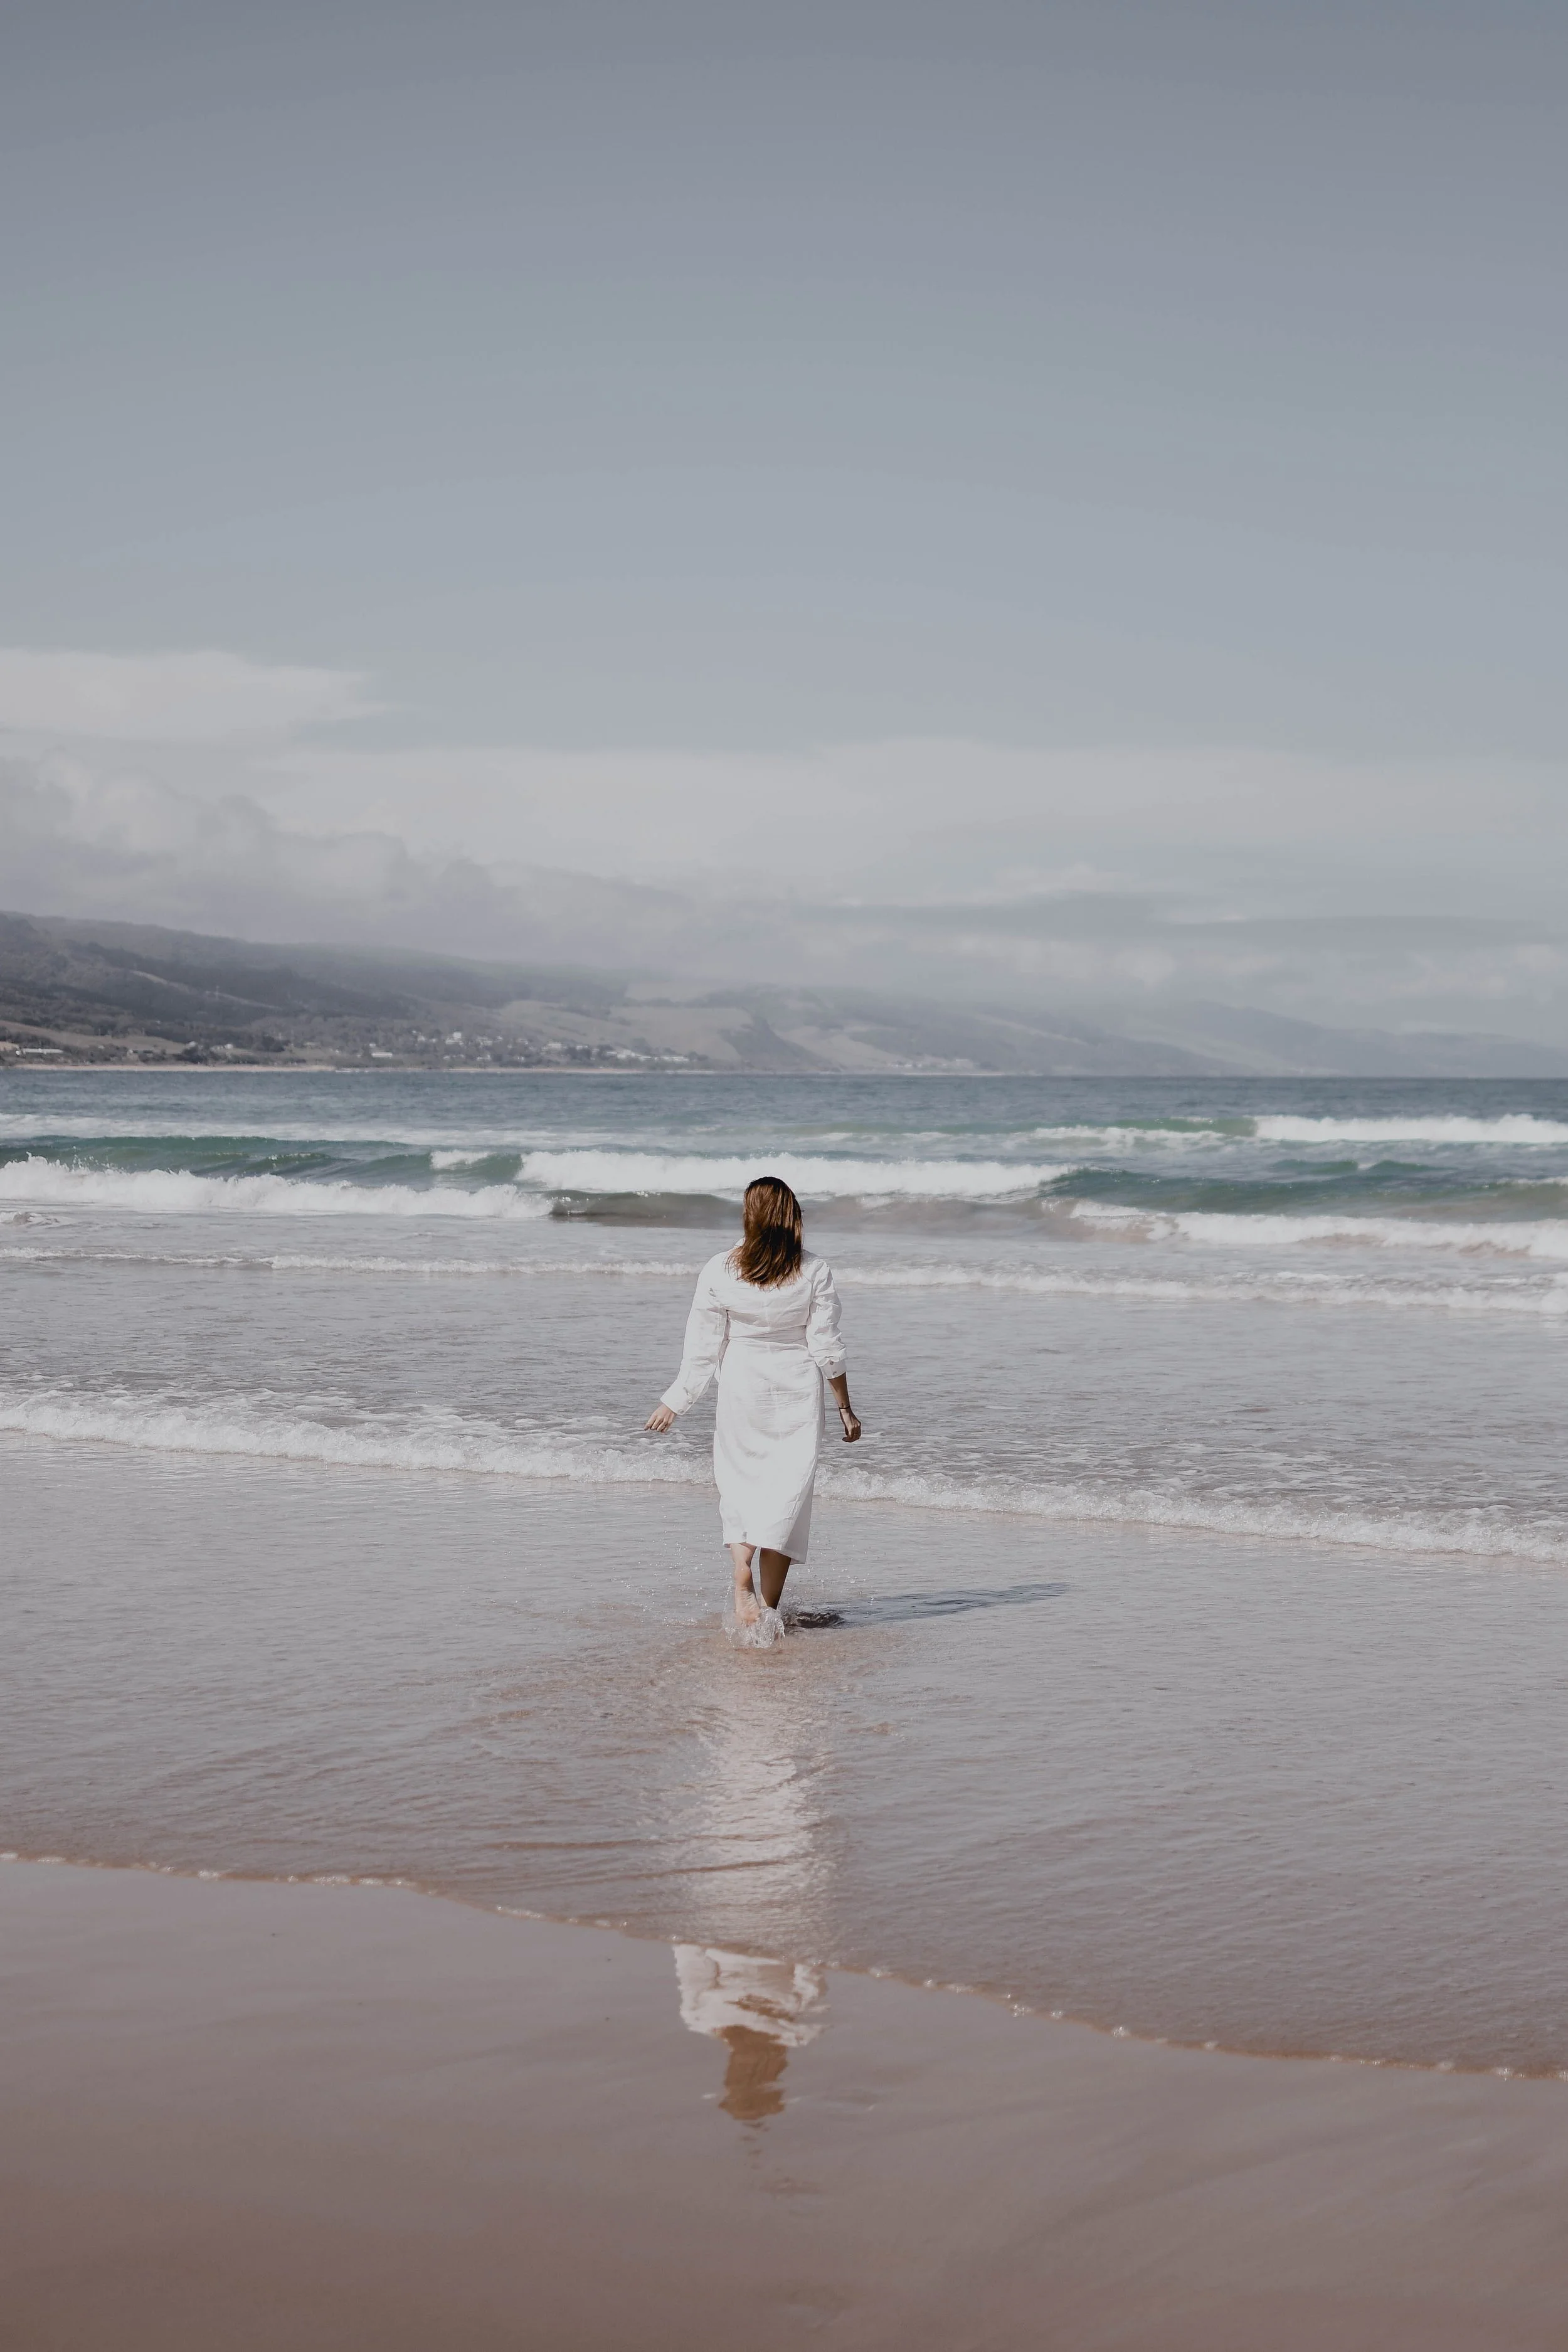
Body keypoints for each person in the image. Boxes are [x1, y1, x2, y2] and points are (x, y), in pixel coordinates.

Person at [645, 1175, 861, 1628]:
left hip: (742, 1387)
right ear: (792, 1216)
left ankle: (741, 1571)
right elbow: (826, 1346)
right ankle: (766, 1611)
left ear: (750, 1216)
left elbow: (701, 1348)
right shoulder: (814, 1269)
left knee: (743, 1487)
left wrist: (675, 1401)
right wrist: (845, 1406)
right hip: (796, 1390)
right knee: (788, 1495)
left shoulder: (720, 1268)